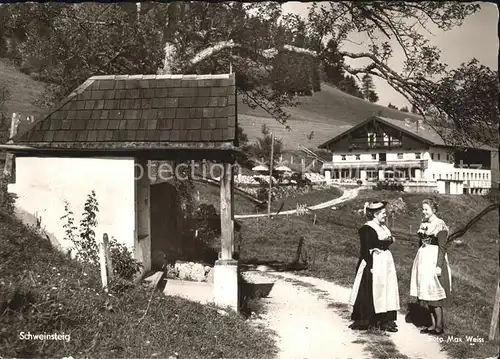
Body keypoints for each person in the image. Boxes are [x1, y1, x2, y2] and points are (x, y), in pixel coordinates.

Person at [348, 201, 400, 332]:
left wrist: (386, 242)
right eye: (383, 213)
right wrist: (370, 267)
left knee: (387, 288)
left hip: (385, 261)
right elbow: (366, 249)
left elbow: (390, 240)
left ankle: (386, 320)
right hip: (373, 262)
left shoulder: (383, 227)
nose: (385, 215)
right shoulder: (367, 228)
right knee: (373, 288)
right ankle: (368, 319)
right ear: (375, 214)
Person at [410, 198, 452, 335]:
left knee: (435, 295)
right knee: (427, 293)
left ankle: (439, 326)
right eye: (423, 209)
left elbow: (442, 247)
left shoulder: (440, 225)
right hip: (423, 260)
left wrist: (439, 266)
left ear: (433, 210)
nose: (424, 212)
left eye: (426, 209)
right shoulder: (423, 224)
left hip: (434, 260)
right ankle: (432, 324)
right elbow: (420, 242)